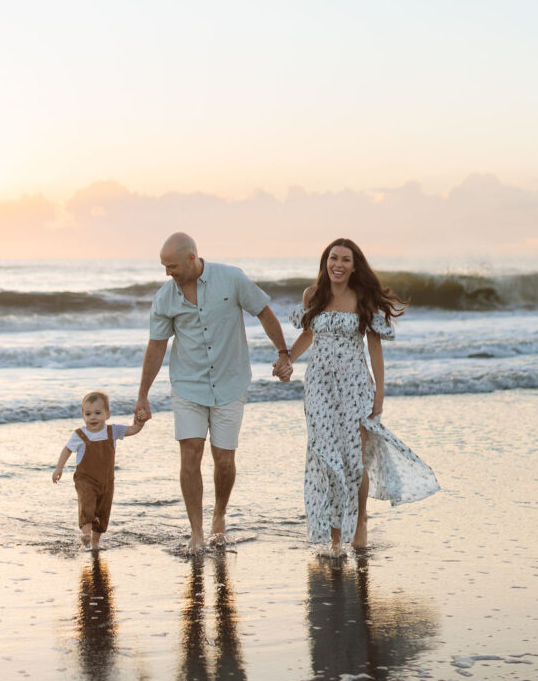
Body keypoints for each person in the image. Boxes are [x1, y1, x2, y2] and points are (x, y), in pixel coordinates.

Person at [135, 232, 292, 554]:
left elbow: (263, 311)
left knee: (224, 459)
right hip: (188, 385)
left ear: (192, 258)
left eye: (173, 266)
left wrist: (283, 353)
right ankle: (196, 531)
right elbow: (156, 346)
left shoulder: (231, 279)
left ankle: (219, 515)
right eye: (164, 267)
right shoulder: (165, 297)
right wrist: (143, 395)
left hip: (231, 382)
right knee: (190, 454)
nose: (168, 273)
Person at [284, 238, 439, 555]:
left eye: (345, 260)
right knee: (327, 456)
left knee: (355, 461)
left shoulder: (363, 297)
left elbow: (374, 349)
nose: (337, 265)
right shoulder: (313, 295)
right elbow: (310, 333)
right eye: (333, 258)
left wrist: (379, 395)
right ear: (325, 261)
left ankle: (362, 521)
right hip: (319, 386)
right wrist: (287, 359)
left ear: (355, 266)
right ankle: (336, 538)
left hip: (356, 385)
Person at [52, 389, 145, 548]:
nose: (92, 417)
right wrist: (58, 468)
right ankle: (86, 533)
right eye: (88, 414)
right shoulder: (79, 435)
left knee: (103, 511)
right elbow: (67, 449)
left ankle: (95, 542)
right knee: (87, 503)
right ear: (83, 416)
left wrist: (140, 421)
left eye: (97, 413)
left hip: (106, 481)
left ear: (107, 414)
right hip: (85, 479)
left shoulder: (112, 431)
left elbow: (133, 429)